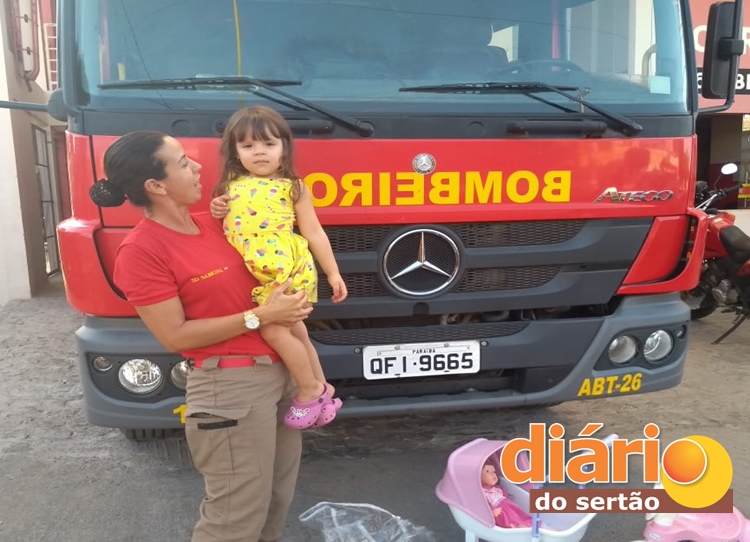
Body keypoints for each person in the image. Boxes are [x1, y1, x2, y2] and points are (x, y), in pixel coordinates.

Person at [88, 130, 313, 542]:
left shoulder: (215, 224)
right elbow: (175, 335)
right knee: (234, 519)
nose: (196, 167)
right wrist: (260, 316)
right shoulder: (141, 251)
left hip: (280, 374)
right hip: (230, 389)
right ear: (156, 186)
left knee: (274, 503)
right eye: (182, 163)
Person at [209, 105, 347, 430]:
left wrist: (333, 272)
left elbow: (314, 231)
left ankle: (308, 390)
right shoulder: (229, 186)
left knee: (273, 329)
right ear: (235, 151)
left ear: (284, 147)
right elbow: (223, 224)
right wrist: (217, 208)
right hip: (256, 273)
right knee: (297, 331)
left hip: (283, 271)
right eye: (248, 145)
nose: (259, 151)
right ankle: (324, 389)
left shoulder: (292, 186)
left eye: (268, 144)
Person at [481, 462, 534, 529]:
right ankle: (514, 527)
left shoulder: (497, 489)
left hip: (510, 508)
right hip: (500, 513)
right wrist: (491, 513)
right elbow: (483, 509)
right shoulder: (482, 493)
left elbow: (505, 497)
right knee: (505, 517)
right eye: (487, 472)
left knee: (517, 515)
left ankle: (522, 524)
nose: (493, 474)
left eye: (494, 472)